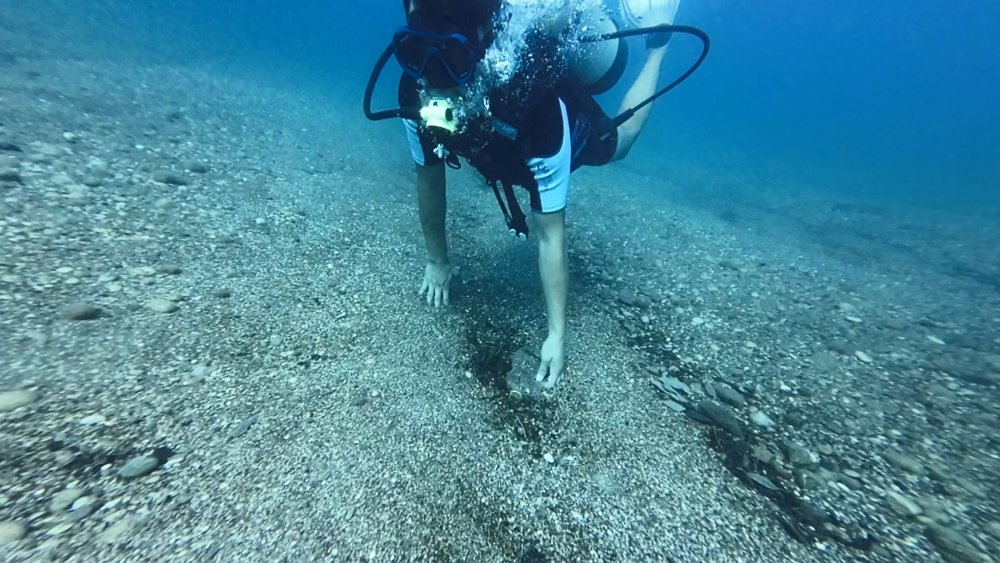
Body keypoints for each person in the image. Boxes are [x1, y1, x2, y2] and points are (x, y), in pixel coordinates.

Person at [396, 0, 681, 390]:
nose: (435, 78)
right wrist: (437, 261)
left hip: (544, 132)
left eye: (454, 58)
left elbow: (550, 234)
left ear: (481, 48)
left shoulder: (538, 107)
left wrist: (556, 334)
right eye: (414, 53)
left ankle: (657, 46)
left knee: (622, 143)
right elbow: (428, 178)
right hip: (499, 146)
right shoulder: (416, 88)